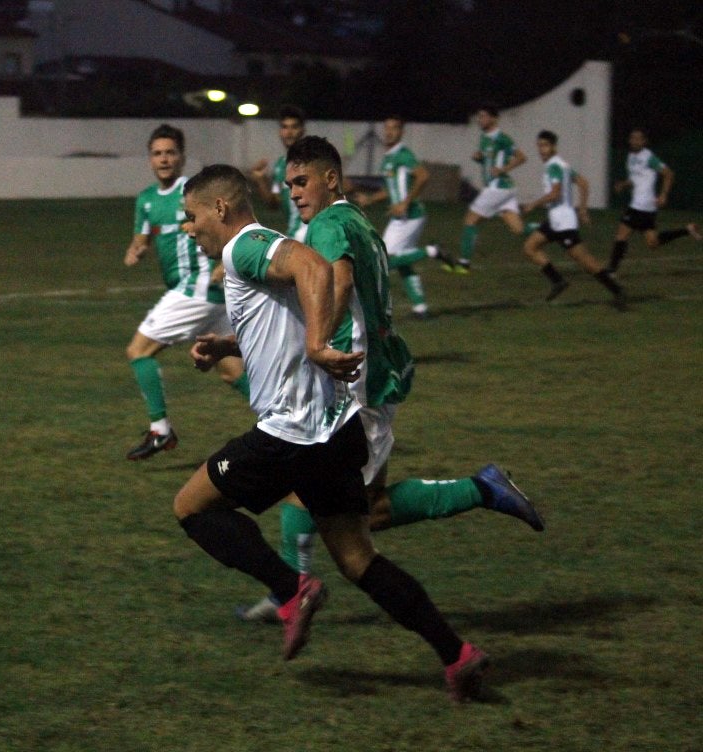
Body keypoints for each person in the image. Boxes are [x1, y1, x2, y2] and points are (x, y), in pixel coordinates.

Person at [177, 163, 491, 703]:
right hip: (335, 429)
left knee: (192, 507)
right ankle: (457, 654)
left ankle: (290, 589)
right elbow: (289, 311)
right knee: (357, 559)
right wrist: (227, 346)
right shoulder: (266, 244)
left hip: (290, 435)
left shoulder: (241, 247)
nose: (188, 228)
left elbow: (314, 267)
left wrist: (321, 345)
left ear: (220, 209)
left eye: (190, 217)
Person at [234, 135, 543, 625]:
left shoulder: (330, 224)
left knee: (310, 495)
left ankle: (291, 593)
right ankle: (482, 490)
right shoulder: (357, 219)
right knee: (365, 505)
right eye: (287, 184)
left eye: (301, 181)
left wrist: (316, 345)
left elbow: (339, 282)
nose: (293, 192)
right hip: (377, 369)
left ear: (330, 178)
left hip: (357, 382)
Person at [123, 124, 250, 460]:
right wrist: (136, 249)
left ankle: (160, 430)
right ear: (150, 159)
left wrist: (225, 261)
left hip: (196, 288)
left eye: (170, 152)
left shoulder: (192, 193)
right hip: (208, 296)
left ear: (181, 158)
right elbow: (142, 238)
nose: (164, 159)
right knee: (231, 369)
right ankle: (287, 420)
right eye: (157, 153)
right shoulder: (147, 200)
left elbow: (228, 224)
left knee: (139, 351)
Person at [353, 115, 455, 319]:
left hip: (411, 215)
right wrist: (371, 199)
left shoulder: (403, 154)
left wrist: (405, 203)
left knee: (386, 261)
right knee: (401, 261)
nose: (390, 132)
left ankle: (432, 250)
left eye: (395, 128)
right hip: (399, 218)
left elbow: (423, 175)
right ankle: (420, 308)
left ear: (401, 132)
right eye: (387, 128)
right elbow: (390, 189)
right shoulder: (389, 158)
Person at [521, 131, 626, 307]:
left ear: (553, 147)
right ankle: (558, 281)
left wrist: (533, 204)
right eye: (539, 145)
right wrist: (583, 209)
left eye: (545, 145)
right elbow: (584, 183)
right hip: (555, 220)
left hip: (563, 223)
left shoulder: (554, 166)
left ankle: (617, 290)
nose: (541, 150)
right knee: (529, 247)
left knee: (585, 262)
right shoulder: (563, 165)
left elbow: (555, 194)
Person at [607, 128, 701, 273]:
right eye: (632, 138)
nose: (635, 140)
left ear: (644, 141)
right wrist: (624, 184)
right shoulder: (630, 157)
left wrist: (663, 194)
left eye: (638, 138)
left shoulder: (649, 157)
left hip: (642, 205)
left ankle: (611, 271)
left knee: (621, 235)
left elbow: (668, 174)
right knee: (653, 242)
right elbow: (636, 179)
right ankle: (687, 230)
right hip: (644, 207)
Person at [448, 105, 528, 273]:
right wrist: (479, 158)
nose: (480, 119)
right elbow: (489, 161)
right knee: (518, 229)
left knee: (470, 220)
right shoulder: (484, 138)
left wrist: (503, 169)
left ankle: (463, 264)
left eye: (483, 116)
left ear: (494, 118)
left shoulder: (502, 138)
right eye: (479, 116)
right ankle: (552, 229)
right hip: (504, 189)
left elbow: (522, 157)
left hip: (497, 188)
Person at [249, 104, 308, 241]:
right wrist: (260, 180)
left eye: (294, 127)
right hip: (294, 234)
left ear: (302, 130)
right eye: (285, 127)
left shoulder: (311, 161)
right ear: (280, 131)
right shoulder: (281, 165)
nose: (289, 132)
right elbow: (274, 203)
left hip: (310, 236)